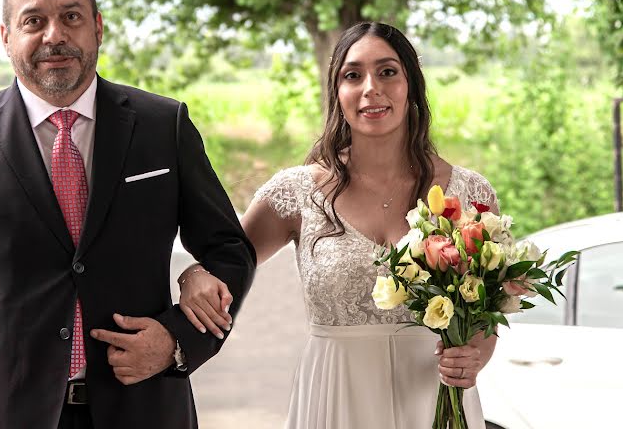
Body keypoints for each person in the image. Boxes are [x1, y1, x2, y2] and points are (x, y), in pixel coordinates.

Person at [0, 0, 256, 429]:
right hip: (3, 411)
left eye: (72, 17)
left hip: (143, 409)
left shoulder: (164, 126)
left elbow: (230, 250)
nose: (54, 35)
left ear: (98, 28)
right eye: (33, 21)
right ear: (6, 37)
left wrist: (176, 339)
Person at [178, 22, 498, 428]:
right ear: (337, 91)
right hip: (336, 398)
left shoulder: (469, 192)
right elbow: (226, 261)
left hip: (433, 399)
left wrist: (474, 357)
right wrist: (192, 274)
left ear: (411, 85)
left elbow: (486, 317)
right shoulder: (297, 192)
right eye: (353, 75)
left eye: (387, 71)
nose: (371, 88)